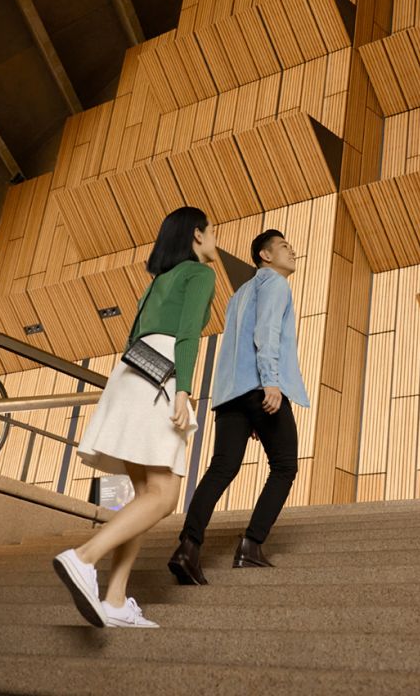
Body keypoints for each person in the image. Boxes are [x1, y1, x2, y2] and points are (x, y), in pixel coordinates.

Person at [53, 206, 217, 628]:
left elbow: (130, 337)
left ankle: (115, 598)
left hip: (128, 376)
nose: (215, 240)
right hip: (161, 376)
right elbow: (187, 336)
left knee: (144, 494)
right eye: (211, 232)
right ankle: (83, 557)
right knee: (164, 496)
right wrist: (182, 389)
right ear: (197, 235)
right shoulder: (199, 274)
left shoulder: (158, 281)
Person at [169, 228, 307, 582]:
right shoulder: (275, 284)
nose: (292, 252)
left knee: (222, 468)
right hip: (261, 386)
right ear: (265, 255)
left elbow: (235, 345)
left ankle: (188, 546)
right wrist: (271, 383)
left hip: (230, 394)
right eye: (284, 247)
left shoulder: (240, 294)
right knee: (284, 466)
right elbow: (266, 335)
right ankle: (251, 546)